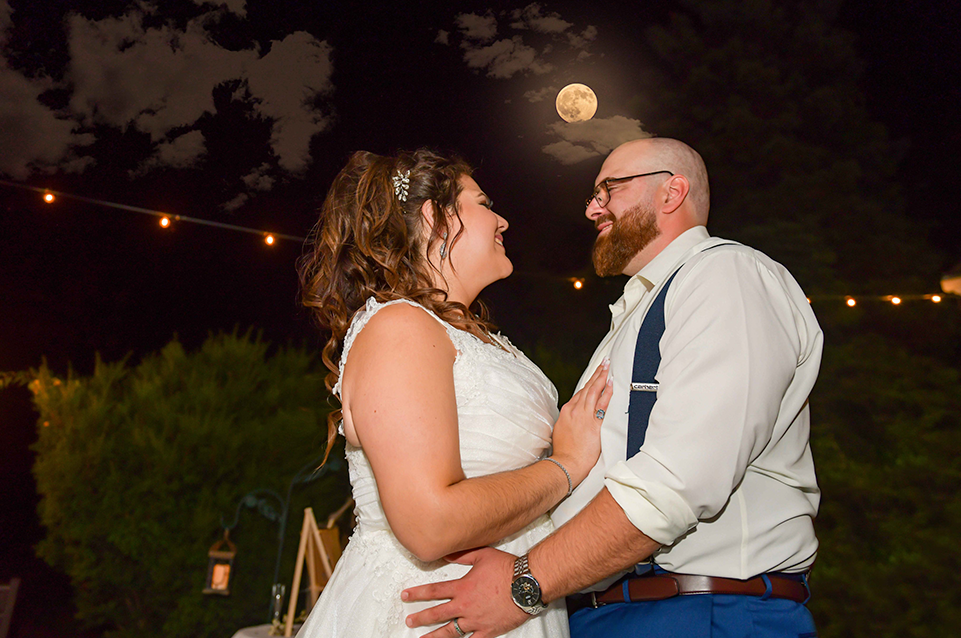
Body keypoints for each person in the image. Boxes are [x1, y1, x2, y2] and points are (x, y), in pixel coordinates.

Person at [403, 137, 823, 638]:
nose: (591, 208)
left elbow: (678, 481)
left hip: (704, 611)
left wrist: (522, 583)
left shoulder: (726, 275)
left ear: (671, 193)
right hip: (607, 609)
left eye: (609, 189)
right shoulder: (635, 314)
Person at [295, 149, 613, 637]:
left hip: (501, 602)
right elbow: (429, 524)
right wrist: (565, 467)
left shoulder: (465, 334)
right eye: (483, 203)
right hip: (432, 611)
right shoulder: (399, 326)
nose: (502, 219)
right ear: (435, 216)